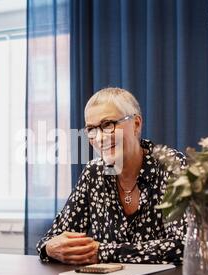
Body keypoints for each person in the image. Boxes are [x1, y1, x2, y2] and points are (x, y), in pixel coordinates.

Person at [36, 87, 187, 265]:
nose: (99, 138)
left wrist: (102, 252)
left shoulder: (171, 165)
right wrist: (50, 248)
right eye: (91, 129)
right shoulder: (94, 173)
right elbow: (55, 237)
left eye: (108, 124)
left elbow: (182, 246)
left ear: (136, 124)